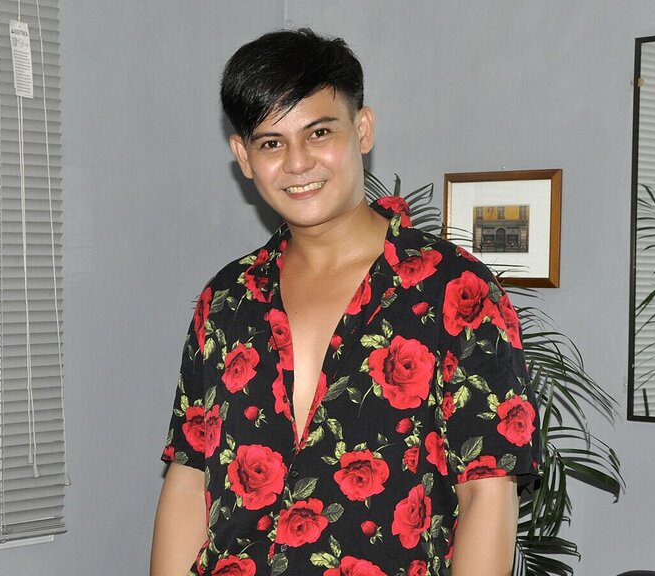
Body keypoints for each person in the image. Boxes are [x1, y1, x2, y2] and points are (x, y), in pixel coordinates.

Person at [151, 28, 541, 576]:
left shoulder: (456, 290)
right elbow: (190, 480)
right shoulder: (226, 300)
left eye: (318, 132)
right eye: (271, 143)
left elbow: (486, 492)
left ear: (362, 130)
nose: (297, 163)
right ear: (243, 156)